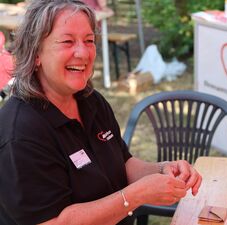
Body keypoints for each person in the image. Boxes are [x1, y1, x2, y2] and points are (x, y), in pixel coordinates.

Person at [0, 1, 202, 225]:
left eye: (89, 40)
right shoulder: (21, 132)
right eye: (68, 41)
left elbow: (122, 165)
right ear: (36, 53)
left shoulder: (90, 101)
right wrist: (136, 195)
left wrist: (163, 169)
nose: (83, 52)